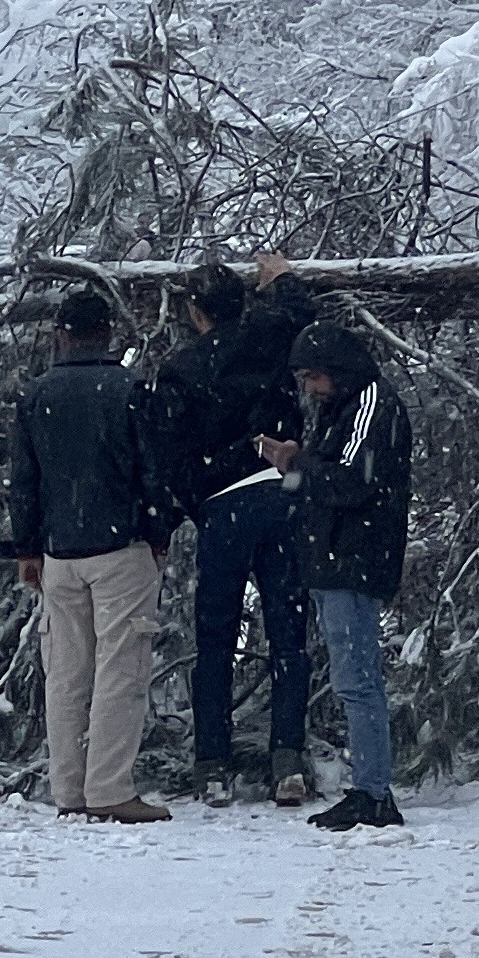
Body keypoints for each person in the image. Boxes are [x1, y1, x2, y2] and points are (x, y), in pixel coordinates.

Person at [149, 252, 318, 807]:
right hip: (282, 493)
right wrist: (282, 278)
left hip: (223, 506)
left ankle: (213, 764)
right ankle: (287, 758)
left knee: (215, 637)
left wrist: (196, 500)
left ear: (196, 313)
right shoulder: (268, 336)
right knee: (289, 631)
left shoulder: (181, 370)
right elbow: (299, 310)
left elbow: (170, 458)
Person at [2, 290, 173, 823]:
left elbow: (23, 481)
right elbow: (155, 471)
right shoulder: (129, 390)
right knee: (120, 669)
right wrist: (158, 531)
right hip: (120, 546)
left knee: (66, 674)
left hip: (59, 552)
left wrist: (27, 547)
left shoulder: (37, 394)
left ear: (61, 333)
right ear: (109, 333)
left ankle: (68, 789)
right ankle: (110, 789)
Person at [268, 315, 414, 831]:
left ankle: (373, 790)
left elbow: (354, 481)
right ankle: (369, 787)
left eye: (314, 376)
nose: (309, 387)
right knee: (354, 677)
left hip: (353, 558)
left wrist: (296, 464)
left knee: (358, 679)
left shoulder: (371, 405)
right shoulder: (345, 408)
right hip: (336, 558)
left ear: (338, 369)